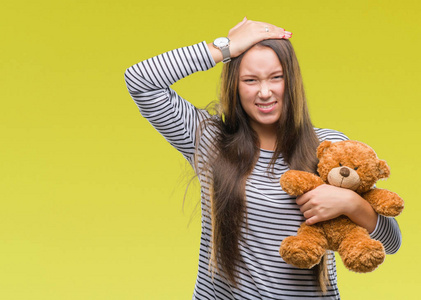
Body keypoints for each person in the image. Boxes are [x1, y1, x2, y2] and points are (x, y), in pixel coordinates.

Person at [124, 17, 402, 299]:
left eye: (276, 77)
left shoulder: (328, 146)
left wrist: (351, 203)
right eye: (250, 80)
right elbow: (140, 80)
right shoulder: (208, 140)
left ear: (291, 81)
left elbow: (392, 242)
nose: (265, 92)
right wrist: (226, 48)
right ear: (234, 85)